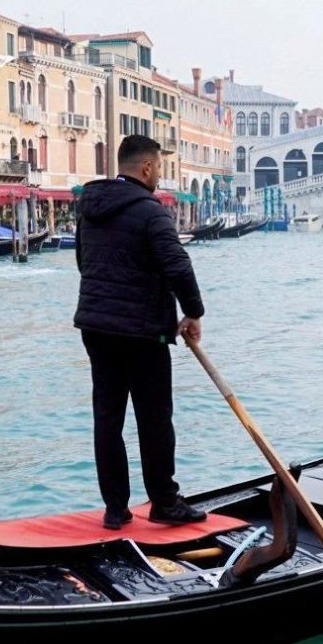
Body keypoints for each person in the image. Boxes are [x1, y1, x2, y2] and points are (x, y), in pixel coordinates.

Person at [75, 135, 207, 529]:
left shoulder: (90, 208)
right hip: (142, 332)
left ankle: (115, 509)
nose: (160, 174)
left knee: (107, 418)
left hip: (96, 326)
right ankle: (164, 502)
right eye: (159, 167)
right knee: (154, 419)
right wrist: (193, 312)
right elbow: (178, 266)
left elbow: (84, 262)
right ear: (147, 167)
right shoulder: (151, 211)